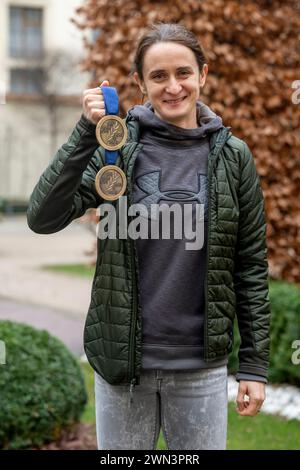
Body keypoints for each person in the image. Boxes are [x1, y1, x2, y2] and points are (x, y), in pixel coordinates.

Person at [26, 22, 271, 450]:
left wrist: (254, 366)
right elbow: (43, 217)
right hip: (122, 364)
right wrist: (87, 133)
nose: (173, 86)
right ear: (140, 82)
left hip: (201, 367)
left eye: (183, 73)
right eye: (158, 76)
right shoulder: (115, 153)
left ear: (203, 75)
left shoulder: (234, 157)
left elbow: (249, 266)